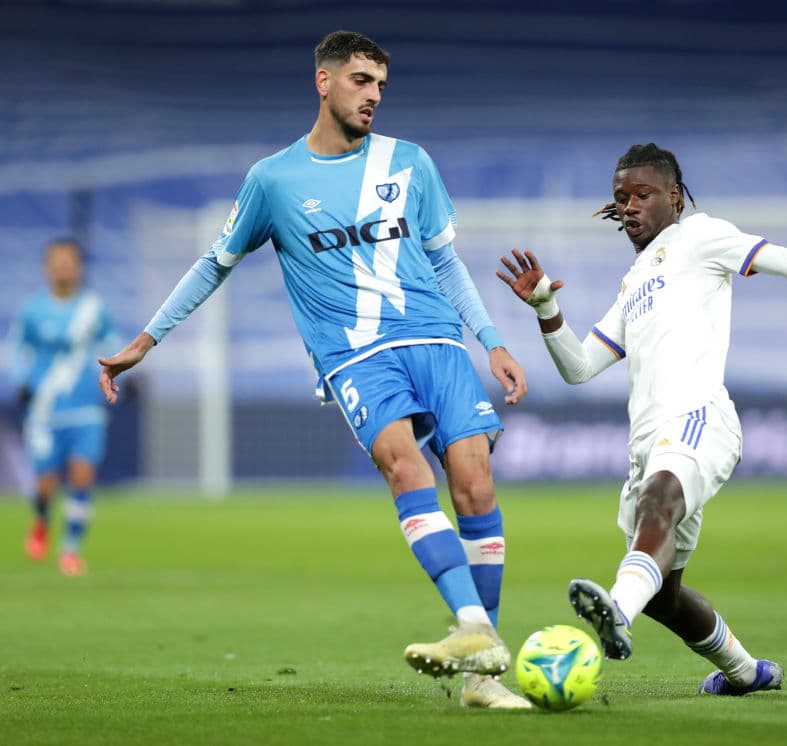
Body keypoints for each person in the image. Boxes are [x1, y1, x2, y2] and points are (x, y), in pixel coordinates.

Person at [97, 31, 530, 709]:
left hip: (438, 340)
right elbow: (214, 264)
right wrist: (147, 339)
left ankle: (481, 678)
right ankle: (474, 627)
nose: (373, 95)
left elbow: (444, 261)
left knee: (475, 486)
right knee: (404, 467)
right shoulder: (273, 180)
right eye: (361, 80)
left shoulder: (410, 162)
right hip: (354, 354)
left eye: (380, 85)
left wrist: (493, 340)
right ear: (324, 82)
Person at [497, 143, 787, 696]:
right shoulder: (633, 282)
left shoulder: (700, 236)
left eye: (643, 194)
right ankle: (745, 672)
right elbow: (579, 368)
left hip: (699, 418)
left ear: (675, 197)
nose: (630, 206)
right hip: (645, 443)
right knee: (662, 595)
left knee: (658, 504)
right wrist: (546, 308)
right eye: (621, 198)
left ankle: (615, 609)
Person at [7, 238, 120, 576]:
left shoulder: (94, 309)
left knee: (82, 477)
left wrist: (126, 377)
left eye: (69, 262)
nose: (64, 268)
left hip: (86, 408)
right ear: (47, 268)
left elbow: (113, 347)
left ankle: (70, 549)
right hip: (44, 410)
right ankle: (42, 518)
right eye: (57, 262)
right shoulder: (32, 310)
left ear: (79, 267)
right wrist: (21, 380)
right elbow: (16, 348)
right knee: (46, 484)